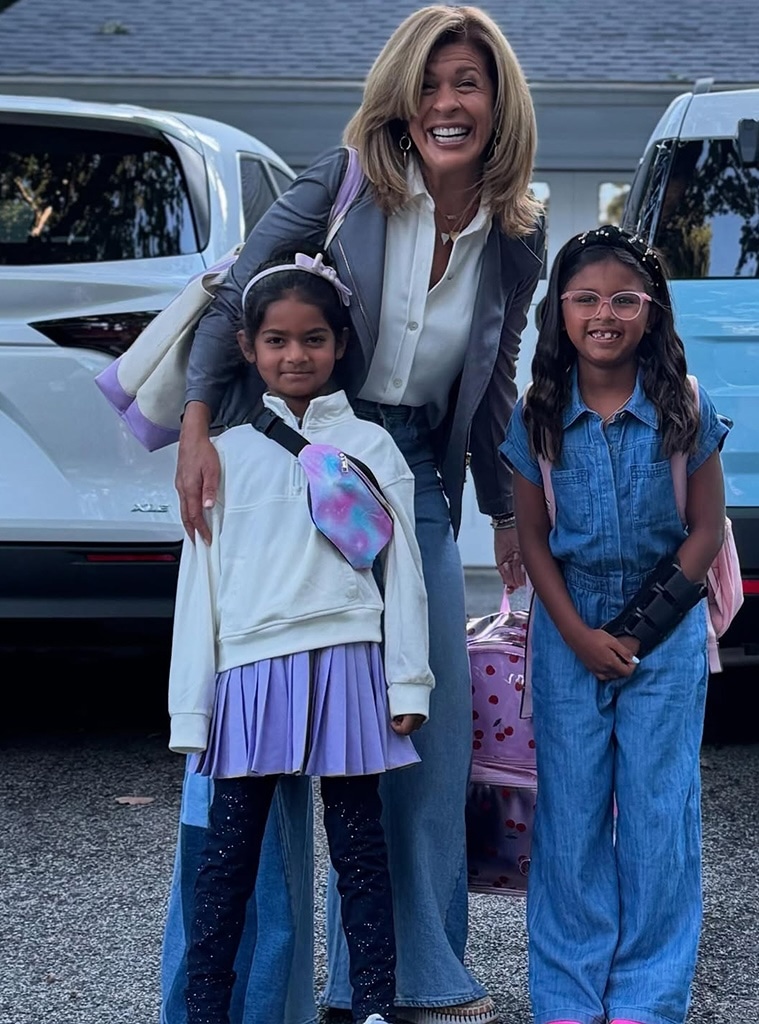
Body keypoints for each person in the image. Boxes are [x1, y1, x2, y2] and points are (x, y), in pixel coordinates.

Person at [165, 6, 545, 1023]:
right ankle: (256, 989)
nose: (446, 104)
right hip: (288, 448)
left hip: (410, 464)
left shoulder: (518, 231)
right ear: (400, 97)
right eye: (429, 84)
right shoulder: (338, 185)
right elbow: (236, 300)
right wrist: (200, 428)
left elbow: (494, 370)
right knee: (265, 716)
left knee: (429, 726)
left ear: (498, 101)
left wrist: (504, 506)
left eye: (466, 83)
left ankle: (410, 977)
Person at [168, 248, 434, 1024]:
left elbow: (403, 575)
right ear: (247, 348)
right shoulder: (219, 456)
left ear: (340, 345)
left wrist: (407, 681)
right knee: (228, 858)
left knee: (358, 846)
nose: (295, 354)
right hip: (248, 672)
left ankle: (375, 1004)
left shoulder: (374, 448)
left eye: (312, 338)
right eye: (277, 340)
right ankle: (206, 1008)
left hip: (351, 661)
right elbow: (200, 588)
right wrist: (193, 709)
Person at [500, 225, 728, 1024]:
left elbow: (705, 530)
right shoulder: (536, 417)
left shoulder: (683, 406)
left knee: (660, 816)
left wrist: (633, 633)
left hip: (662, 634)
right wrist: (578, 635)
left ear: (650, 309)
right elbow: (531, 538)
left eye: (623, 299)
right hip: (567, 628)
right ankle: (567, 995)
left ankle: (646, 997)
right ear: (558, 311)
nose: (605, 314)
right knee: (568, 817)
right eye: (586, 299)